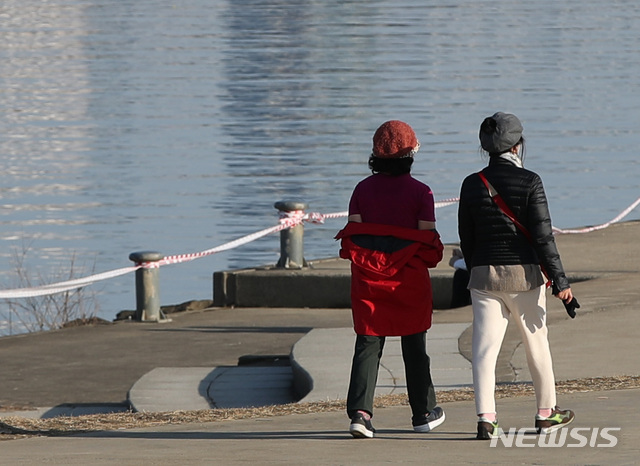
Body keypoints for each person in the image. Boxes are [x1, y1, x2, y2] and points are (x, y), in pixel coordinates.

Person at [457, 112, 576, 440]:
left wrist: (478, 266)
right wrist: (560, 283)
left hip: (483, 277)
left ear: (487, 149)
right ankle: (545, 413)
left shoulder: (471, 184)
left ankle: (486, 418)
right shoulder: (531, 182)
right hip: (524, 276)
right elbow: (543, 238)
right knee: (536, 343)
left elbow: (466, 238)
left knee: (484, 348)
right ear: (518, 146)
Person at [335, 120, 445, 439]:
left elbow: (355, 237)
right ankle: (423, 412)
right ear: (410, 154)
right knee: (414, 344)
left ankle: (360, 413)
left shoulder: (361, 190)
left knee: (368, 343)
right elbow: (428, 241)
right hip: (408, 278)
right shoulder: (421, 192)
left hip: (369, 278)